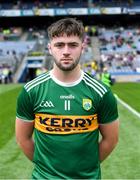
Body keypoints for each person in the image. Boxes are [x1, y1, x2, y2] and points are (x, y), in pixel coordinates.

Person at [15, 18, 119, 179]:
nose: (66, 51)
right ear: (50, 48)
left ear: (82, 47)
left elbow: (111, 140)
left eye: (72, 45)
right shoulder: (31, 91)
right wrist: (46, 170)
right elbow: (23, 139)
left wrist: (87, 167)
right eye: (59, 45)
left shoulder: (101, 92)